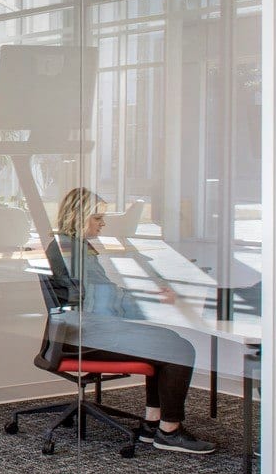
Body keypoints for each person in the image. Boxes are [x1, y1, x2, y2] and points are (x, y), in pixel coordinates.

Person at [46, 187, 215, 454]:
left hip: (78, 331)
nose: (103, 223)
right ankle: (169, 430)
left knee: (166, 342)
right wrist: (151, 302)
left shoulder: (66, 245)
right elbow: (103, 301)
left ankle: (152, 423)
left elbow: (101, 294)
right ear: (79, 217)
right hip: (89, 336)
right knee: (180, 349)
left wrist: (141, 295)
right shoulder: (76, 252)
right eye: (97, 217)